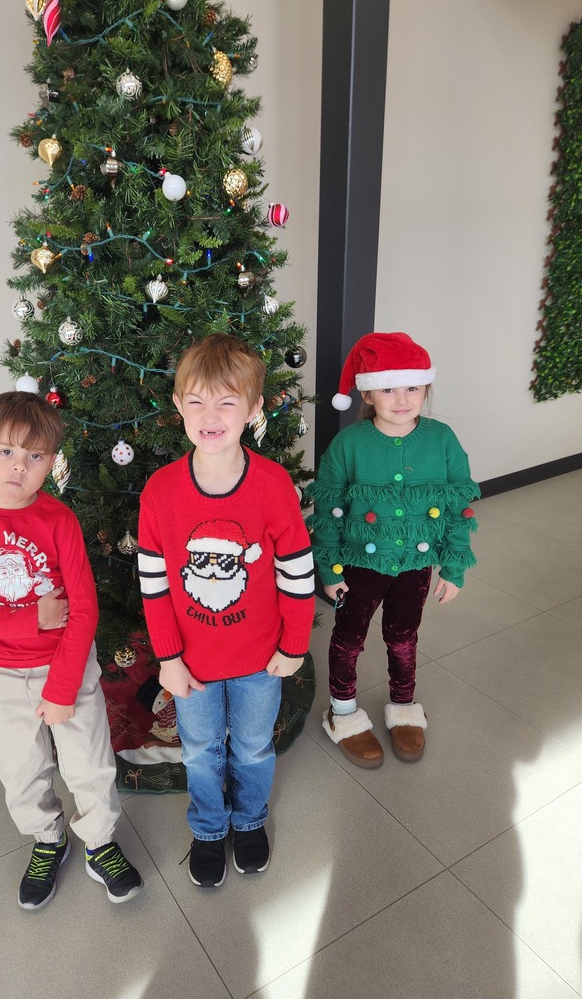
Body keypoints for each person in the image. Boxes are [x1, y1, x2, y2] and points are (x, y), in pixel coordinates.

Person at [0, 391, 142, 910]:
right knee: (22, 770)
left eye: (36, 457)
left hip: (65, 667)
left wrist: (62, 686)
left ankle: (99, 843)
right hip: (2, 673)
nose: (19, 467)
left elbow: (85, 612)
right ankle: (48, 839)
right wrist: (31, 617)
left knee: (89, 765)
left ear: (52, 464)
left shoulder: (59, 521)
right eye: (7, 452)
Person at [137, 334, 315, 887]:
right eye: (196, 401)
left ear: (255, 408)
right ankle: (210, 828)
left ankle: (250, 818)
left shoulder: (273, 485)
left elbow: (296, 573)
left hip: (263, 660)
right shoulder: (161, 492)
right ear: (178, 406)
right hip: (191, 664)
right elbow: (154, 582)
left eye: (226, 402)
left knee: (255, 746)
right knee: (199, 751)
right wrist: (167, 657)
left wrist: (294, 645)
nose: (209, 416)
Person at [308, 332, 479, 767]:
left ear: (425, 389)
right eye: (388, 388)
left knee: (403, 636)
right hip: (360, 564)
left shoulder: (442, 439)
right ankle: (342, 712)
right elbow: (328, 508)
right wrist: (329, 568)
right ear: (367, 392)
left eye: (412, 388)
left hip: (417, 564)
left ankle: (404, 704)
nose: (401, 399)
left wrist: (453, 566)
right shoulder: (348, 445)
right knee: (349, 639)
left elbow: (460, 503)